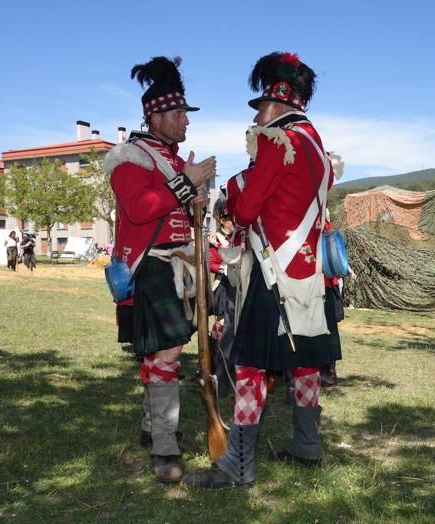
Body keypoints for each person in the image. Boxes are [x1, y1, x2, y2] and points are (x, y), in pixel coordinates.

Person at [185, 52, 340, 488]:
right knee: (306, 363)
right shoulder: (319, 150)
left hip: (274, 275)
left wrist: (233, 191)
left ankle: (237, 466)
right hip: (309, 276)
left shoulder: (278, 141)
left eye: (261, 109)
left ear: (277, 105)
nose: (257, 119)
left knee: (251, 366)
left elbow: (249, 207)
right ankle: (307, 444)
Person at [105, 56, 215, 483]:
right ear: (156, 116)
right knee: (167, 353)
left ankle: (152, 428)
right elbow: (138, 210)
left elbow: (179, 211)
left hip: (180, 265)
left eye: (186, 113)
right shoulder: (129, 156)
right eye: (179, 113)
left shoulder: (170, 158)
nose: (186, 121)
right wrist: (186, 181)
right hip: (149, 265)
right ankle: (165, 448)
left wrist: (198, 198)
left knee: (161, 353)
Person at [208, 196, 239, 397]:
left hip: (238, 285)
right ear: (221, 219)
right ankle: (213, 364)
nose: (232, 221)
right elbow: (210, 262)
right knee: (222, 326)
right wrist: (222, 267)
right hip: (223, 285)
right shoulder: (215, 238)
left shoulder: (238, 236)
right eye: (229, 217)